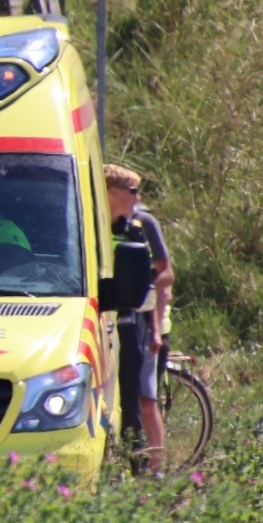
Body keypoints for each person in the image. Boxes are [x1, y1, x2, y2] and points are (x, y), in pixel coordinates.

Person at [105, 165, 174, 475]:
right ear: (112, 193)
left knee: (140, 399)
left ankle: (148, 470)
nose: (139, 198)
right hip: (103, 320)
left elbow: (160, 278)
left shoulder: (138, 226)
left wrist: (156, 328)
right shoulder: (91, 225)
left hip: (137, 325)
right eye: (133, 192)